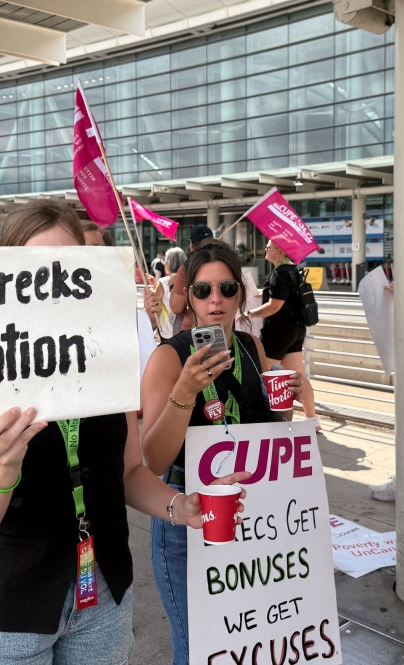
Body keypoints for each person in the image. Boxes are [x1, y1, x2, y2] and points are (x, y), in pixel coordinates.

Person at [0, 201, 248, 664]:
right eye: (34, 268)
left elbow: (128, 472)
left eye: (70, 265)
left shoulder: (109, 353)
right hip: (9, 607)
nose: (52, 282)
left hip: (103, 597)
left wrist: (178, 505)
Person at [140, 241, 305, 665]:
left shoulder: (252, 348)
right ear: (188, 296)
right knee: (201, 649)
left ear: (241, 295)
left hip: (253, 515)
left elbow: (273, 430)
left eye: (227, 288)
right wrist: (185, 392)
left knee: (248, 643)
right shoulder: (168, 357)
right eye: (203, 290)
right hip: (190, 516)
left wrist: (289, 398)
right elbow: (152, 463)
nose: (216, 299)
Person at [243, 240, 316, 419]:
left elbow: (274, 306)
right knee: (297, 376)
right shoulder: (293, 270)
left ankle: (261, 416)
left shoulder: (279, 273)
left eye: (269, 246)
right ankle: (312, 420)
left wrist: (248, 314)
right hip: (296, 330)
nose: (265, 249)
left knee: (261, 372)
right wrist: (264, 292)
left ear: (279, 251)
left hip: (277, 332)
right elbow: (285, 295)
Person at [156, 247, 187, 342]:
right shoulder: (188, 280)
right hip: (185, 328)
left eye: (165, 259)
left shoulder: (163, 282)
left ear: (170, 262)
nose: (163, 262)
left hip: (166, 332)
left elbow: (154, 304)